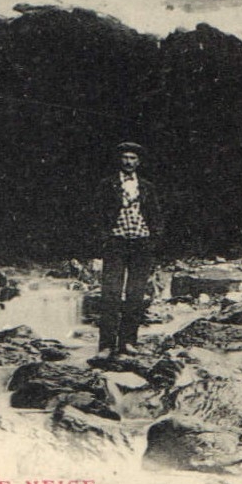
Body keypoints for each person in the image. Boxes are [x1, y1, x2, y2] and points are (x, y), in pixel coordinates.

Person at [89, 142, 166, 360]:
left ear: (138, 162)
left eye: (133, 158)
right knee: (111, 294)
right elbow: (96, 214)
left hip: (141, 244)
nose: (128, 162)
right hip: (116, 243)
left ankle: (129, 342)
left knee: (135, 294)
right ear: (119, 160)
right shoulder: (108, 184)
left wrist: (153, 238)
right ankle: (106, 346)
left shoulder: (146, 186)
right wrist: (104, 238)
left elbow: (156, 215)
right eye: (125, 157)